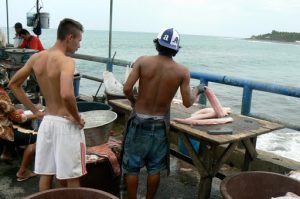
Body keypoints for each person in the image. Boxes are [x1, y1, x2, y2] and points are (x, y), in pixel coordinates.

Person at [122, 28, 200, 199]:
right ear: (176, 49)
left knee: (132, 167)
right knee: (154, 168)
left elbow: (127, 88)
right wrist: (197, 91)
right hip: (159, 125)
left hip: (138, 122)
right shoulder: (182, 71)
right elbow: (187, 102)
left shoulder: (142, 62)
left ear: (157, 43)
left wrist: (135, 102)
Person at [9, 18, 85, 191]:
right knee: (72, 176)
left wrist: (36, 111)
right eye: (79, 40)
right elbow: (67, 94)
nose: (79, 45)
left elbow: (14, 84)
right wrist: (77, 118)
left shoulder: (37, 58)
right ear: (70, 37)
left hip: (47, 121)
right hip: (66, 124)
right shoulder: (66, 62)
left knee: (46, 174)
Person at [0, 67, 37, 181]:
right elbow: (18, 119)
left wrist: (14, 112)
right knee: (36, 138)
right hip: (2, 131)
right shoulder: (1, 95)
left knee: (13, 129)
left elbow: (6, 112)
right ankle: (23, 171)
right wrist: (37, 114)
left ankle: (6, 154)